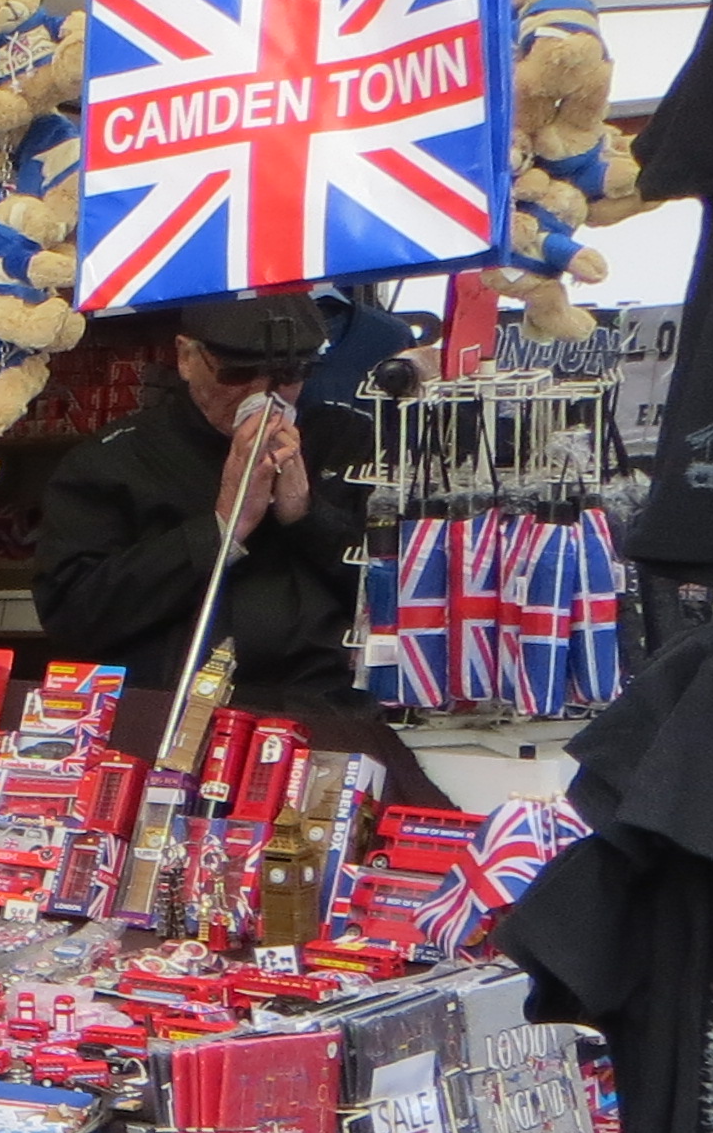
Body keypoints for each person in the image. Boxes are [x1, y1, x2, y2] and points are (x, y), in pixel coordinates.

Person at [31, 291, 443, 801]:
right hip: (173, 722)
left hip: (324, 717)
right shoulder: (111, 462)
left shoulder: (353, 441)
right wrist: (222, 528)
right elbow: (74, 616)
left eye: (289, 376)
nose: (264, 394)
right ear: (187, 357)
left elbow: (409, 599)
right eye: (237, 374)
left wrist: (307, 516)